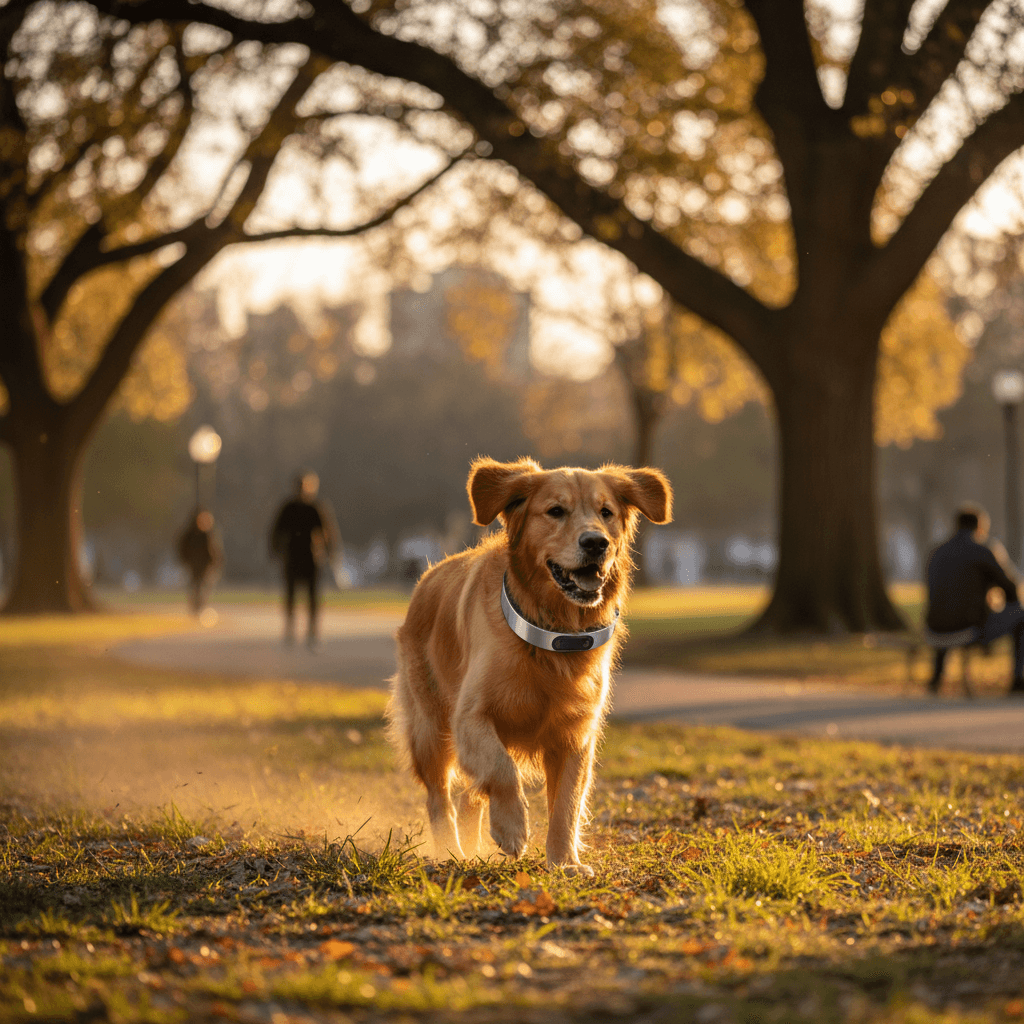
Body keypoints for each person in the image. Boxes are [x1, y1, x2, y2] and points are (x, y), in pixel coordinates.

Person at [925, 503, 1024, 696]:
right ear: (980, 527)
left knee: (949, 610)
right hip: (969, 628)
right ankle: (1018, 679)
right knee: (1021, 615)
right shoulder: (983, 551)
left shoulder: (937, 552)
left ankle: (936, 677)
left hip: (934, 627)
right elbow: (1011, 588)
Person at [269, 471, 338, 647]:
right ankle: (290, 631)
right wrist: (275, 551)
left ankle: (312, 633)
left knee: (312, 597)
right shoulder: (288, 508)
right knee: (291, 596)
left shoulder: (316, 507)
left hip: (312, 558)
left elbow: (327, 532)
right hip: (292, 557)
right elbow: (276, 532)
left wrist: (331, 553)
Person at [176, 508, 222, 614]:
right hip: (193, 565)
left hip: (205, 566)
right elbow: (182, 548)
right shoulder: (190, 534)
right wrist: (185, 560)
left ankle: (200, 606)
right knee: (194, 585)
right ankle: (195, 606)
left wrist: (214, 561)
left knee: (203, 586)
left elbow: (213, 550)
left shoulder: (207, 534)